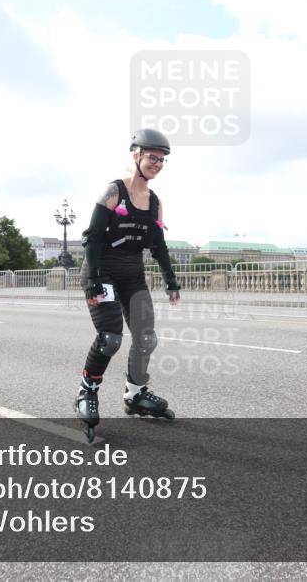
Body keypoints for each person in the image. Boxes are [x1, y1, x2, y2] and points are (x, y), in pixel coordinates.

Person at [75, 128, 181, 441]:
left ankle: (135, 394)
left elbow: (158, 246)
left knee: (146, 338)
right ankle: (87, 392)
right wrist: (94, 277)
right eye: (152, 157)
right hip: (102, 272)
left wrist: (171, 280)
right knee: (110, 338)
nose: (157, 163)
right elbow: (93, 238)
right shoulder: (113, 191)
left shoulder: (154, 202)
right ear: (136, 155)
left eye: (162, 160)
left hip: (132, 275)